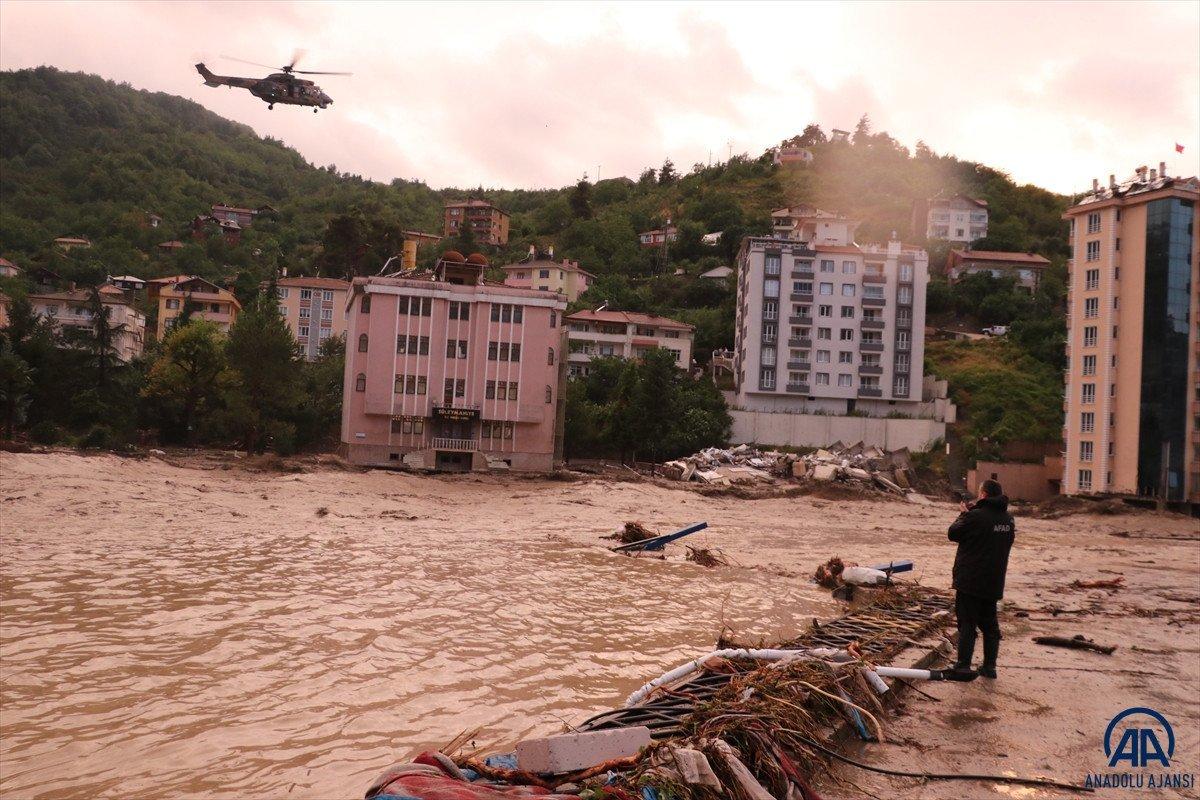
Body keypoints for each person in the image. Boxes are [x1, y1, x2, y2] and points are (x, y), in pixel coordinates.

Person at [947, 478, 1015, 679]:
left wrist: (963, 515)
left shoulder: (975, 516)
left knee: (967, 624)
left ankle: (963, 664)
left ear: (983, 495)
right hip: (993, 580)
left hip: (970, 580)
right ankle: (989, 666)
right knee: (990, 626)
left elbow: (953, 533)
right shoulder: (1008, 520)